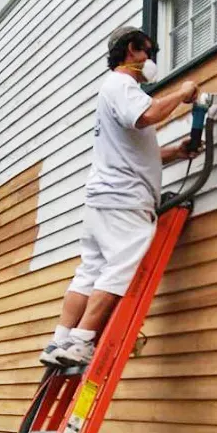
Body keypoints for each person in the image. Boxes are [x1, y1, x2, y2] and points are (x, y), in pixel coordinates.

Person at [40, 26, 200, 367]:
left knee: (90, 271)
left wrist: (176, 152)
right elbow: (149, 115)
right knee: (121, 267)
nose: (151, 60)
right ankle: (82, 341)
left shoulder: (110, 91)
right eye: (148, 52)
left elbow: (133, 151)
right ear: (132, 50)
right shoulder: (122, 84)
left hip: (102, 200)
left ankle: (60, 340)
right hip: (124, 200)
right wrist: (183, 92)